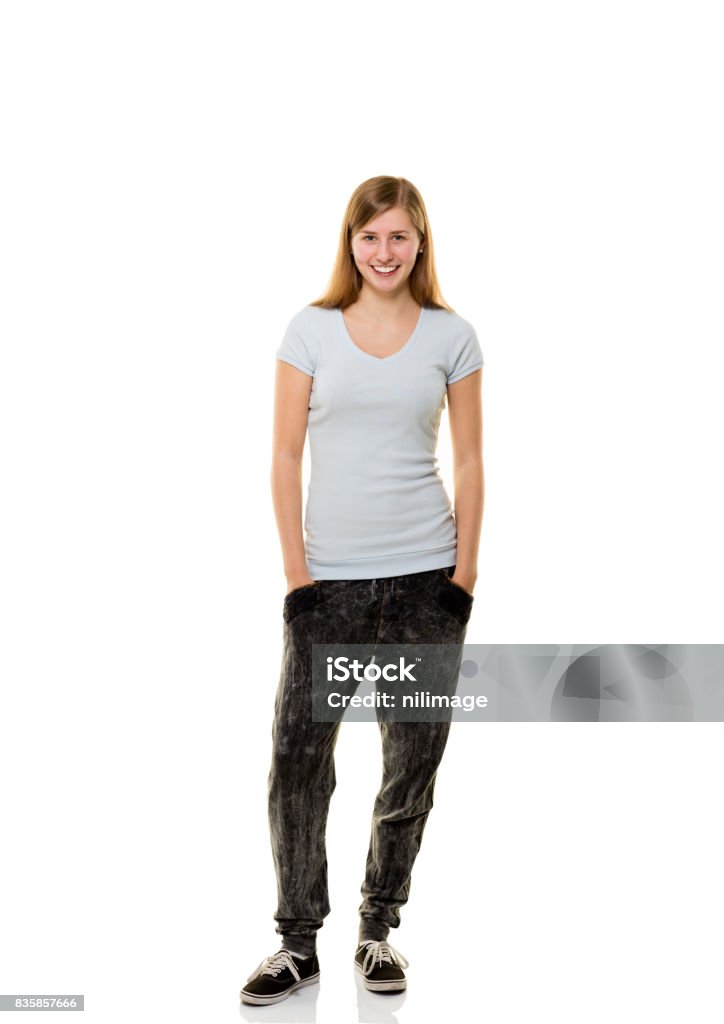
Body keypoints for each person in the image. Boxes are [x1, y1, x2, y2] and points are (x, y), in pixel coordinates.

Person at [240, 175, 484, 1006]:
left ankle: (378, 932)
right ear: (351, 244)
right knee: (297, 765)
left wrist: (464, 579)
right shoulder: (309, 331)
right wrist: (297, 579)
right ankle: (297, 941)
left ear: (421, 244)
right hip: (328, 586)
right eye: (370, 237)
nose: (384, 253)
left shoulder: (452, 336)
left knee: (411, 763)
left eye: (399, 238)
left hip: (426, 582)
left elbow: (472, 460)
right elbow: (281, 457)